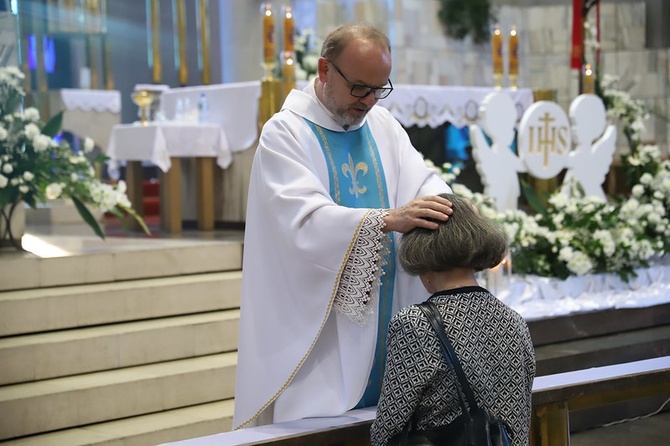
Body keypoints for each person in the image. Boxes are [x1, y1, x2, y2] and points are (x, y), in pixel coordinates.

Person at [233, 23, 453, 429]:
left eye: (379, 89)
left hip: (389, 316)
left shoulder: (382, 125)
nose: (369, 101)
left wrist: (450, 204)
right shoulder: (286, 132)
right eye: (359, 88)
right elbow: (302, 222)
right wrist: (385, 220)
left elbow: (421, 182)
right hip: (323, 341)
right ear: (324, 70)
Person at [370, 193, 536, 446]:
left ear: (420, 256)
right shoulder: (513, 320)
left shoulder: (416, 323)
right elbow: (521, 410)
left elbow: (389, 425)